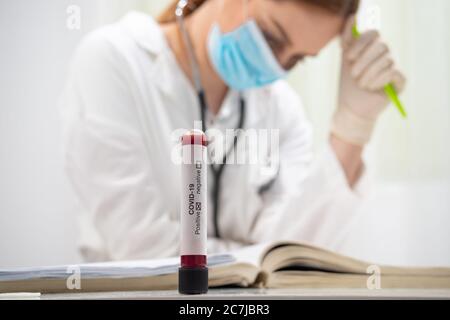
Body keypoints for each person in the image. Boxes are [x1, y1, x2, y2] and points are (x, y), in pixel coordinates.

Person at [61, 0, 405, 261]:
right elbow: (144, 253)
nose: (276, 66)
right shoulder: (112, 61)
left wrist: (352, 127)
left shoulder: (281, 108)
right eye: (271, 38)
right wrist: (255, 254)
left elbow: (293, 258)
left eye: (297, 59)